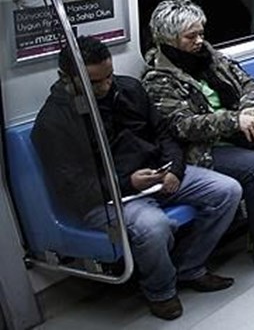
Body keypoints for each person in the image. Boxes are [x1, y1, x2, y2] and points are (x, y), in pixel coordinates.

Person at [33, 37, 241, 320]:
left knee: (227, 191)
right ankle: (161, 291)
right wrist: (127, 182)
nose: (106, 87)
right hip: (108, 197)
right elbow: (75, 189)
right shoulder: (53, 123)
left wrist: (174, 170)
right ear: (66, 78)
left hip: (155, 174)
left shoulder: (128, 88)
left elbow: (165, 134)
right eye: (95, 83)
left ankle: (189, 267)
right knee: (153, 226)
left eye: (109, 76)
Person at [142, 0, 254, 272]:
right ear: (169, 39)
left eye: (201, 33)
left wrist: (248, 108)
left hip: (243, 128)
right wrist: (234, 120)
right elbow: (182, 126)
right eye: (191, 36)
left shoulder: (211, 57)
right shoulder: (158, 79)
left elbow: (250, 83)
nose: (200, 40)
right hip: (206, 149)